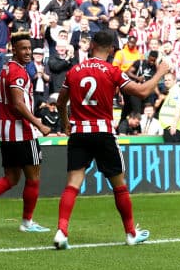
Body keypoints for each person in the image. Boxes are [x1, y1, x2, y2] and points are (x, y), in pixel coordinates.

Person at [53, 31, 170, 250]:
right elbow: (143, 91)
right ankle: (130, 234)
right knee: (119, 185)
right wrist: (161, 72)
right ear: (112, 49)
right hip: (103, 133)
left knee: (73, 184)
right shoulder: (112, 71)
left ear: (92, 45)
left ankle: (61, 231)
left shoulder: (75, 70)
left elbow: (60, 103)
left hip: (79, 133)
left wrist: (66, 122)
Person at [0, 32, 52, 234]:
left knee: (11, 178)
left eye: (30, 48)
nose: (28, 52)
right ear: (14, 49)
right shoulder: (18, 72)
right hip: (22, 132)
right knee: (34, 177)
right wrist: (39, 124)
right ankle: (27, 222)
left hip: (6, 132)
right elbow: (18, 104)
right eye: (23, 48)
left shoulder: (6, 69)